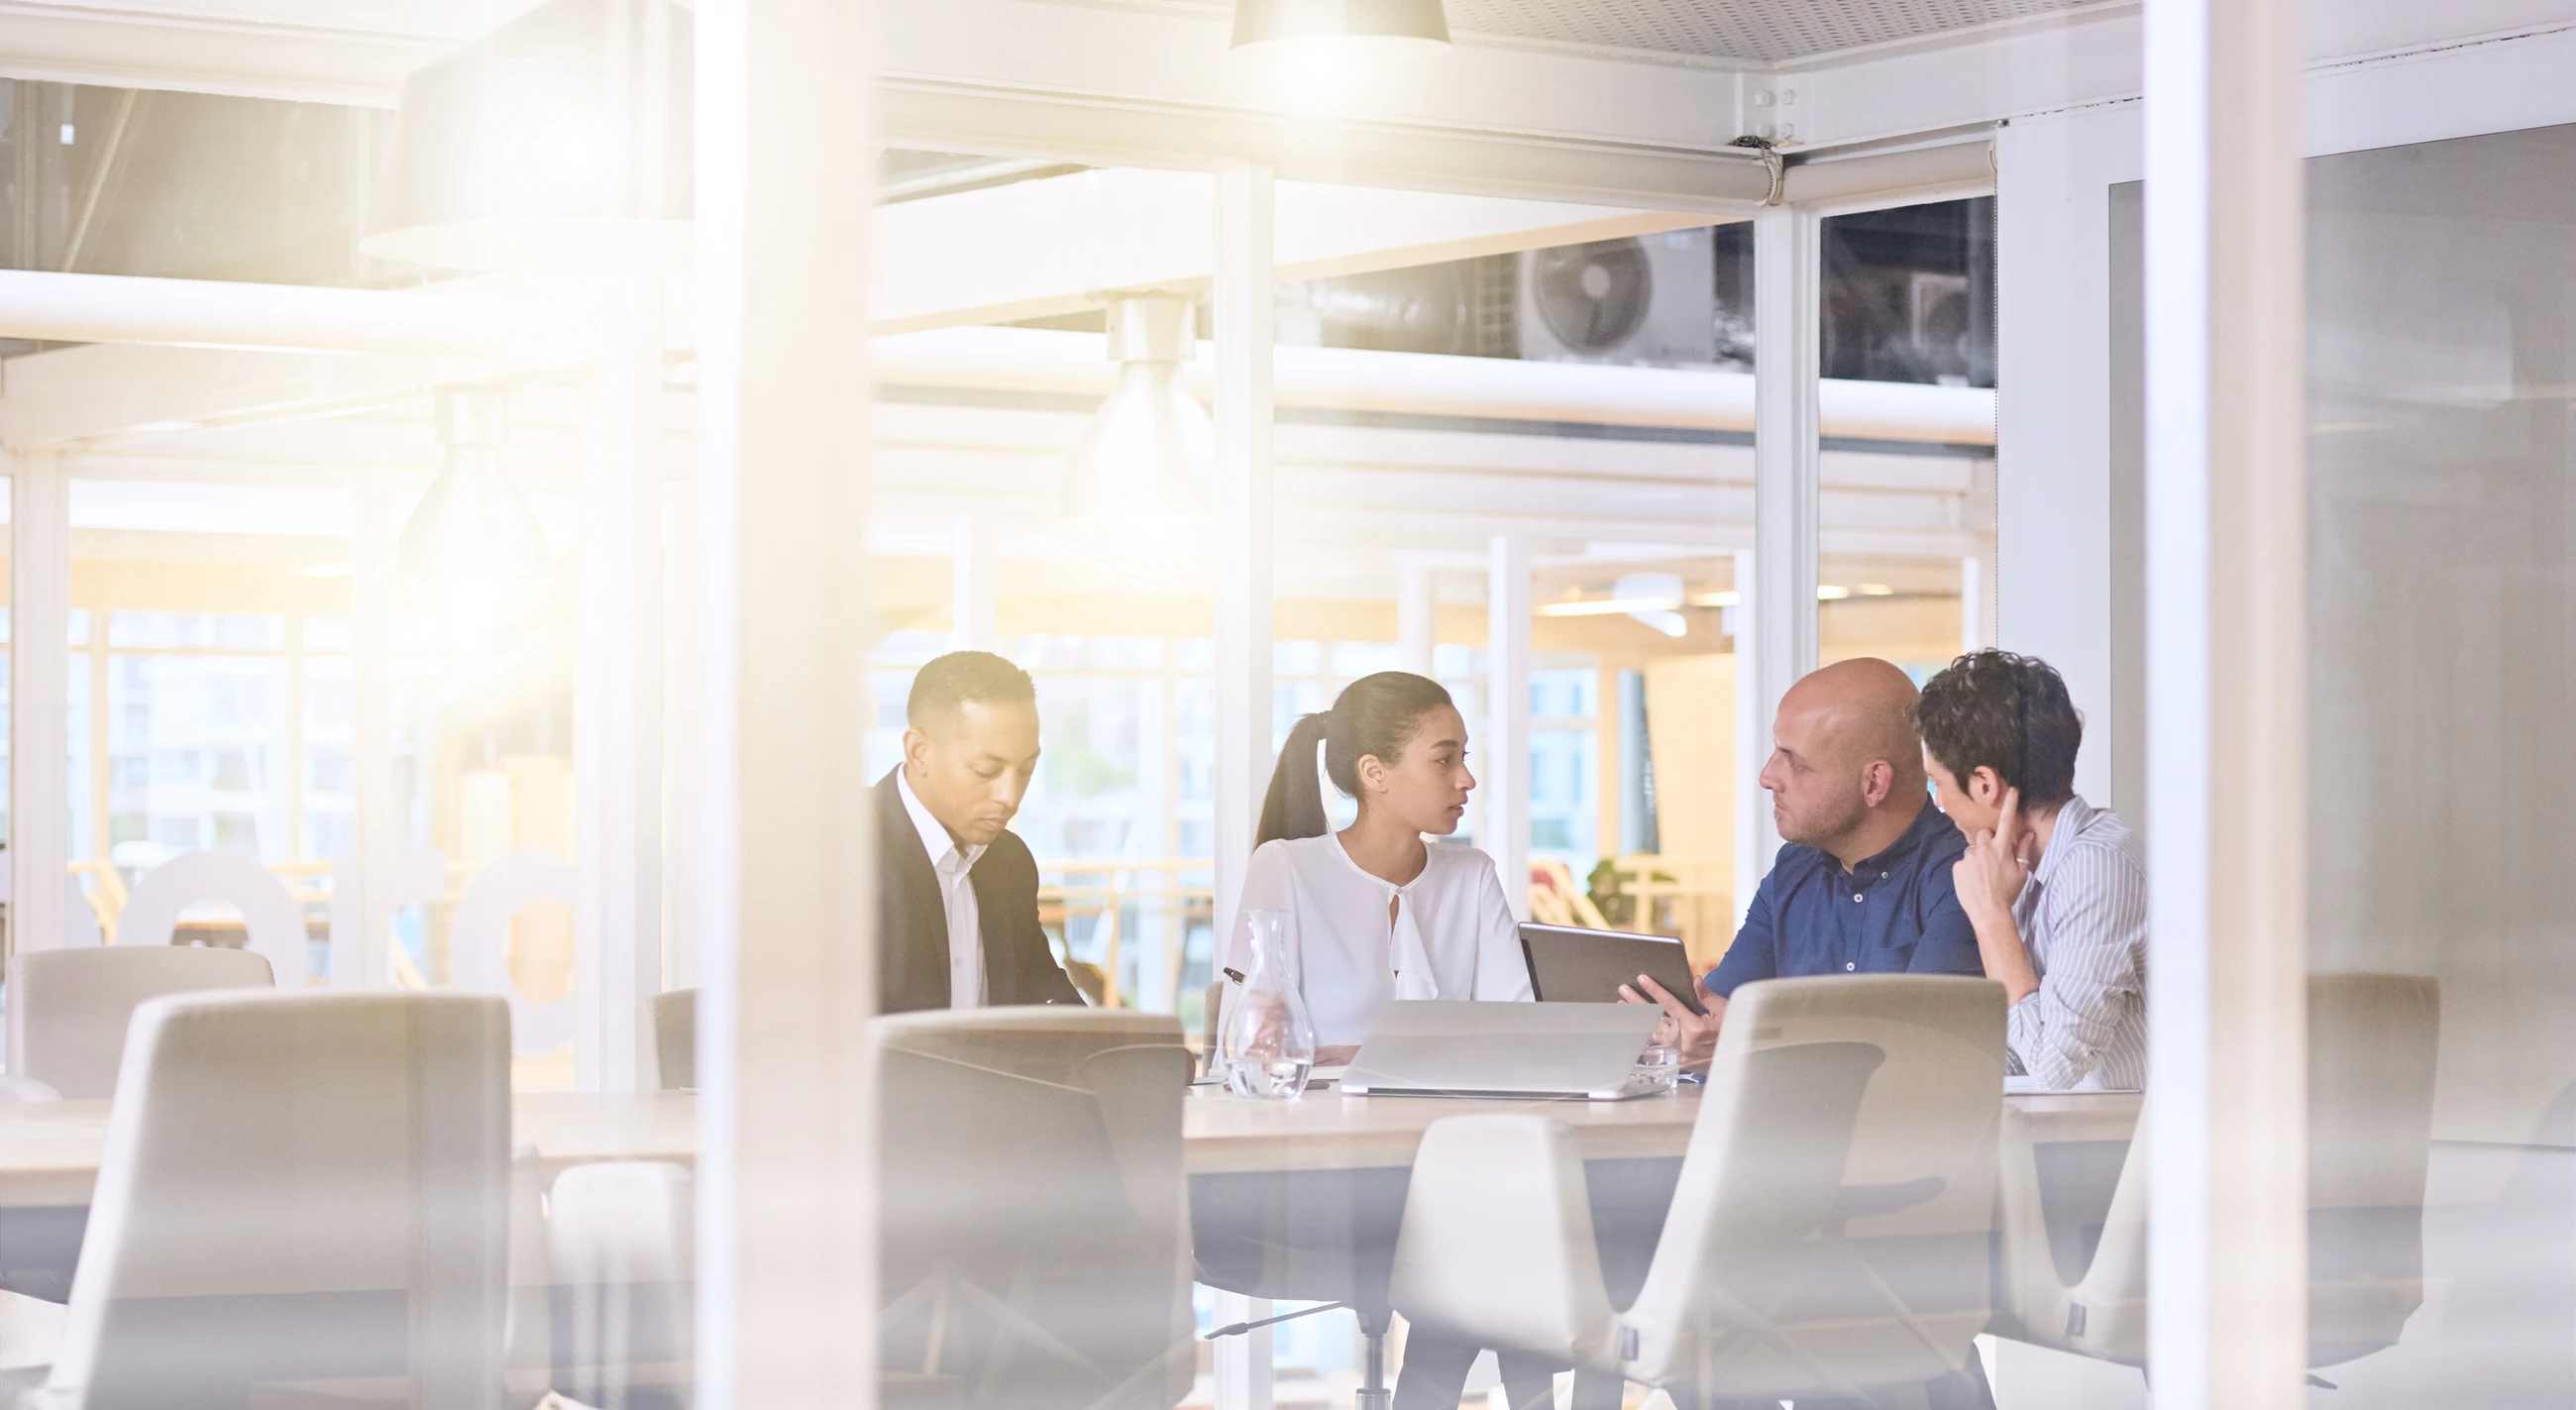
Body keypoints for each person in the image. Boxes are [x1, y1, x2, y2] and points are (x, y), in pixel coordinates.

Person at [1223, 671, 1548, 1410]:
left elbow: (1519, 1036)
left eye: (1464, 755)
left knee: (1496, 1216)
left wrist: (1352, 1052)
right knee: (1493, 1229)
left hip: (1455, 1165)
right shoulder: (1287, 870)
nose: (1467, 778)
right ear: (1374, 774)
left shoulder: (1472, 877)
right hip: (1328, 1174)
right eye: (1444, 758)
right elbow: (1253, 1055)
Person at [1624, 657, 1983, 1070]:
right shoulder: (1794, 870)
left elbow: (1916, 1054)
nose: (1767, 776)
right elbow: (1719, 1014)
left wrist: (1742, 1048)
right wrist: (1684, 1031)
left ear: (1874, 783)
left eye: (1793, 760)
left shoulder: (1963, 875)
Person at [1911, 649, 2147, 1091]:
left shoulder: (2095, 867)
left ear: (1985, 785)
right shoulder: (2025, 869)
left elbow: (2053, 1068)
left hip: (2136, 1148)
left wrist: (1992, 921)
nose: (1938, 802)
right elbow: (2018, 1053)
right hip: (2084, 1139)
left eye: (1938, 782)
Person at [874, 650, 1083, 1014]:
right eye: (987, 770)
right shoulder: (845, 848)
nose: (1010, 796)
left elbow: (1046, 995)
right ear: (919, 752)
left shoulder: (1009, 862)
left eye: (1026, 770)